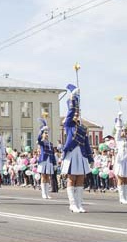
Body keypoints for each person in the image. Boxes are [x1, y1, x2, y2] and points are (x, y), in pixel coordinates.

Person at [61, 84, 94, 213]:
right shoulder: (68, 125)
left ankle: (80, 203)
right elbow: (70, 114)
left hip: (81, 155)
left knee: (80, 178)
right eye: (74, 112)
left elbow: (86, 144)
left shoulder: (82, 128)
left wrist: (90, 158)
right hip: (71, 154)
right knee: (71, 178)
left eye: (77, 113)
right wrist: (73, 98)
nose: (76, 114)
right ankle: (72, 204)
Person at [37, 119, 57, 199]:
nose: (46, 134)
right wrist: (41, 131)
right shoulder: (42, 142)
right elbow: (38, 139)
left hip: (49, 161)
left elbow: (52, 154)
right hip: (43, 161)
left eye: (47, 133)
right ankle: (43, 193)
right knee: (43, 176)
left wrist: (54, 163)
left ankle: (47, 193)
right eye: (45, 133)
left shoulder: (50, 144)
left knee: (48, 177)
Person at [114, 111, 127, 204]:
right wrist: (119, 119)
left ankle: (125, 196)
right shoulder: (118, 139)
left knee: (126, 179)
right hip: (121, 161)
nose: (124, 133)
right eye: (123, 131)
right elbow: (118, 130)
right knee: (121, 178)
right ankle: (121, 197)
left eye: (125, 131)